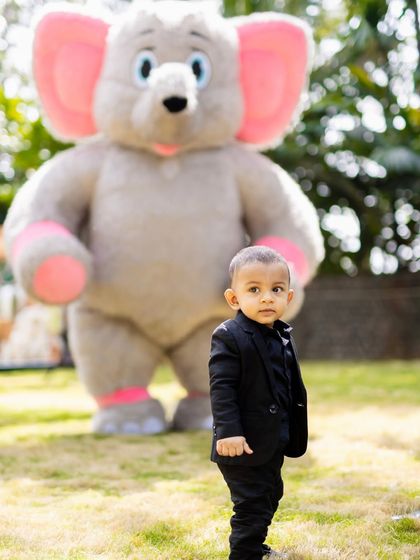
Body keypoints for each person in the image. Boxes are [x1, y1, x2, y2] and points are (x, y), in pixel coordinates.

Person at [209, 246, 308, 560]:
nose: (267, 297)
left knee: (270, 494)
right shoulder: (229, 335)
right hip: (241, 442)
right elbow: (221, 388)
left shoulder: (281, 334)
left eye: (276, 289)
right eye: (254, 290)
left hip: (272, 438)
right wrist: (228, 431)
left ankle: (255, 544)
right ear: (234, 299)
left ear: (288, 298)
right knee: (251, 502)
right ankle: (245, 553)